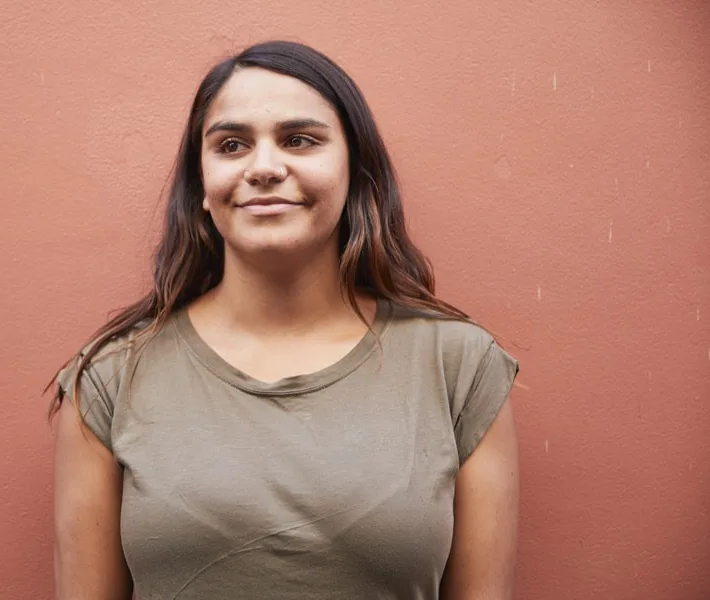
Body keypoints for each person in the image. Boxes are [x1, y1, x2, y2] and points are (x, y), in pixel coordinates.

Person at [49, 40, 520, 600]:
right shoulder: (109, 378)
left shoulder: (458, 369)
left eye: (300, 140)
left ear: (356, 171)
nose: (265, 168)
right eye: (231, 145)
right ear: (201, 185)